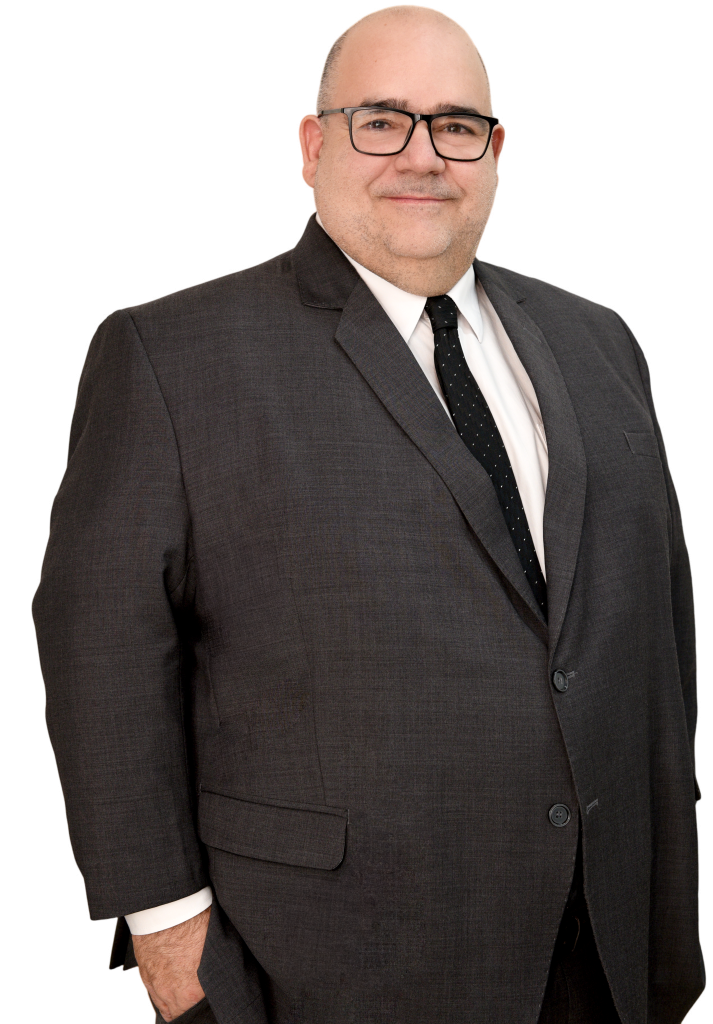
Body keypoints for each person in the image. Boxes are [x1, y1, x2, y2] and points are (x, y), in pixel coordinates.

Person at [31, 6, 704, 1023]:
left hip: (605, 951)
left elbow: (654, 632)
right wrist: (167, 933)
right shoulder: (169, 355)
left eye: (455, 126)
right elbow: (101, 651)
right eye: (381, 120)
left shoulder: (597, 339)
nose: (421, 155)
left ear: (495, 157)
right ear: (312, 146)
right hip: (328, 958)